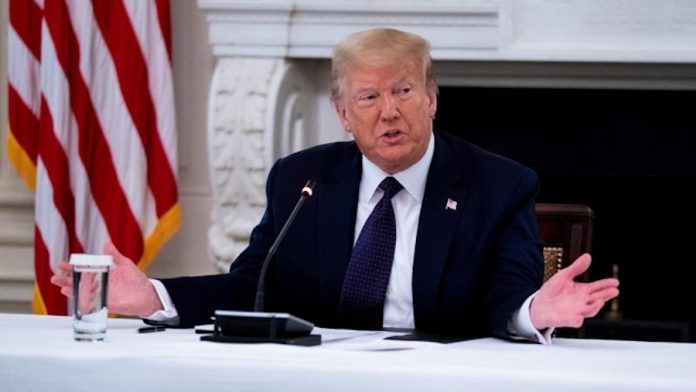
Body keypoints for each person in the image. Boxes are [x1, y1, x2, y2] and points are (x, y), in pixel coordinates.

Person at [51, 28, 619, 343]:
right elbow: (254, 286)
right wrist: (155, 297)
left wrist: (535, 311)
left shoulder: (499, 183)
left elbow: (508, 299)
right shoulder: (301, 179)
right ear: (344, 114)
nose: (389, 112)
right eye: (369, 98)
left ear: (432, 100)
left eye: (403, 91)